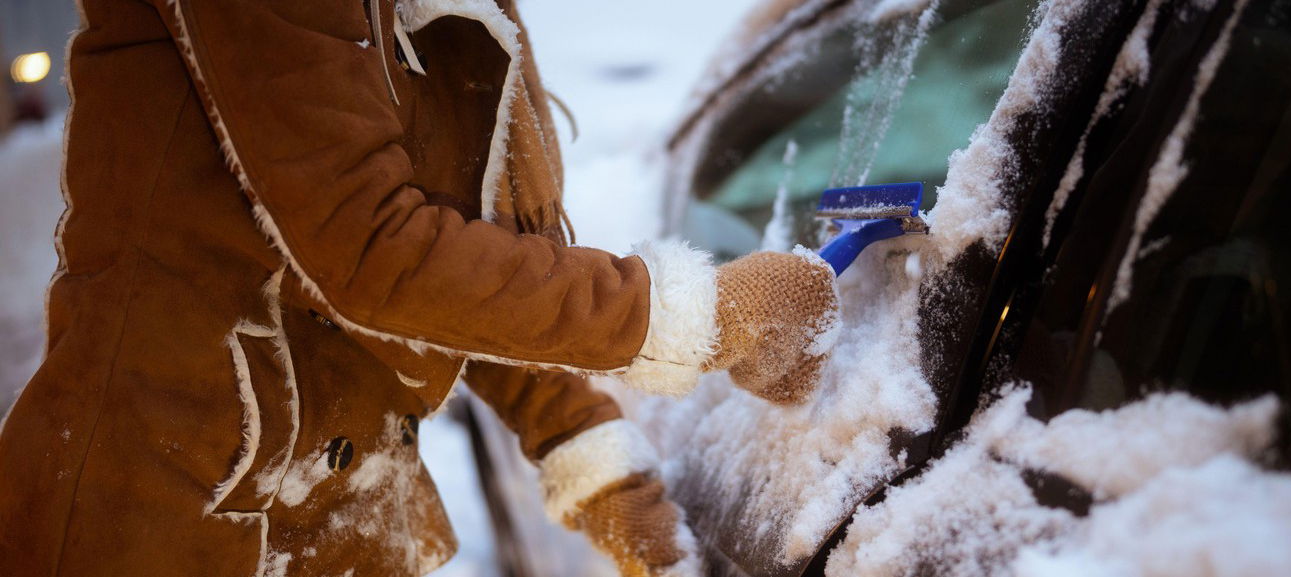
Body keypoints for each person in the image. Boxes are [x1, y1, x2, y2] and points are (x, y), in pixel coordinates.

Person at [0, 1, 840, 576]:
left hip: (345, 524)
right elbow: (370, 245)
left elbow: (477, 253)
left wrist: (588, 451)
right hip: (165, 521)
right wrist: (704, 316)